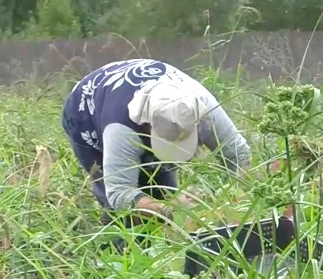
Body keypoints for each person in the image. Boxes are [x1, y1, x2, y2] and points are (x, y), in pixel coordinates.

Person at [61, 59, 251, 222]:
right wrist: (171, 209)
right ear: (147, 126)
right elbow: (120, 194)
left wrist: (235, 204)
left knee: (165, 190)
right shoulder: (120, 129)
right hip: (86, 113)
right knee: (124, 214)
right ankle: (122, 251)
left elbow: (239, 155)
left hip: (132, 92)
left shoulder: (202, 107)